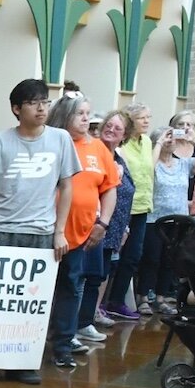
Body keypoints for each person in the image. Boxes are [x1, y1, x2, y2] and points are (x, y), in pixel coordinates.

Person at [0, 77, 78, 388]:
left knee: (29, 304)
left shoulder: (61, 139)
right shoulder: (0, 140)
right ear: (16, 108)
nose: (41, 108)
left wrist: (59, 231)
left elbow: (66, 187)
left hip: (40, 232)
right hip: (0, 229)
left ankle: (19, 363)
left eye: (45, 102)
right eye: (33, 102)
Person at [46, 93, 118, 368]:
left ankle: (63, 344)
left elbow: (109, 188)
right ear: (65, 116)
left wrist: (103, 223)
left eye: (88, 113)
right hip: (45, 230)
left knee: (71, 286)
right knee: (40, 289)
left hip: (80, 232)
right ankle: (28, 343)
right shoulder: (52, 142)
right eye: (80, 113)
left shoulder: (98, 148)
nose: (87, 118)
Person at [138, 111, 195, 318]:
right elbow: (148, 171)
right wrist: (159, 143)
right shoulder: (154, 162)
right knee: (151, 259)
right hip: (155, 220)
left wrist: (194, 139)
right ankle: (143, 297)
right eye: (167, 137)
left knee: (170, 260)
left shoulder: (183, 164)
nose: (172, 140)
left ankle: (161, 298)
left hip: (179, 220)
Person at [104, 101, 155, 321]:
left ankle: (117, 301)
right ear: (131, 119)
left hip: (142, 206)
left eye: (148, 117)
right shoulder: (122, 147)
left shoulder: (146, 142)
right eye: (143, 117)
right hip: (122, 208)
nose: (147, 122)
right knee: (113, 256)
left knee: (133, 257)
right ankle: (102, 302)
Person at [93, 109, 135, 328]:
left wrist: (125, 227)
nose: (111, 129)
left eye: (117, 128)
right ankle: (84, 316)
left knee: (105, 269)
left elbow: (126, 193)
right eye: (108, 125)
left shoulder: (119, 157)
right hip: (96, 225)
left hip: (116, 225)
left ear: (124, 135)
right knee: (92, 272)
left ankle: (95, 310)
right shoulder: (95, 153)